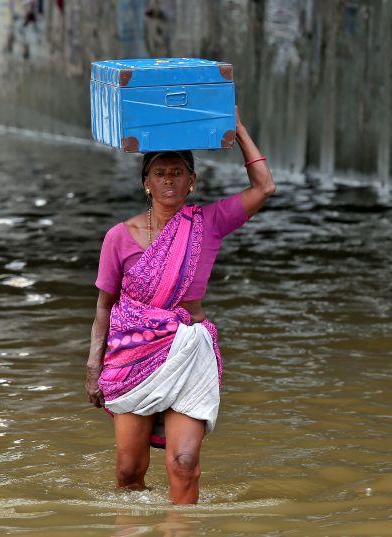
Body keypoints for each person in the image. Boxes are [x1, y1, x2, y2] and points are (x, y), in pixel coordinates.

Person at [84, 107, 275, 505]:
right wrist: (93, 365)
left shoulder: (209, 222)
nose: (169, 179)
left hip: (188, 352)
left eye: (177, 173)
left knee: (185, 464)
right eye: (159, 173)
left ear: (192, 181)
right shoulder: (119, 237)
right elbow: (105, 306)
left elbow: (264, 187)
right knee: (128, 471)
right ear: (146, 183)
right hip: (132, 356)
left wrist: (238, 128)